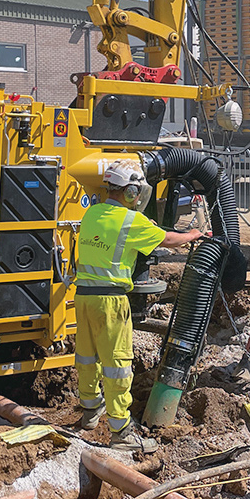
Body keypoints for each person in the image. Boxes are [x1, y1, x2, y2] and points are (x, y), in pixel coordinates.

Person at [75, 159, 201, 452]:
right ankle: (121, 432)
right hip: (110, 301)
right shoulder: (132, 222)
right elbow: (169, 239)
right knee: (117, 364)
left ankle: (91, 410)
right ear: (131, 192)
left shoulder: (92, 213)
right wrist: (193, 235)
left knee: (86, 356)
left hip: (83, 297)